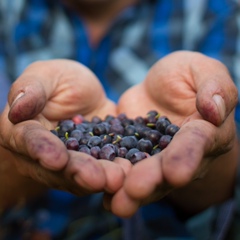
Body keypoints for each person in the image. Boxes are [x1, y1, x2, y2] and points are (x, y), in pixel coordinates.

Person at [0, 0, 240, 239]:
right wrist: (14, 156)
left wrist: (207, 146)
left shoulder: (214, 12)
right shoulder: (8, 13)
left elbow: (224, 146)